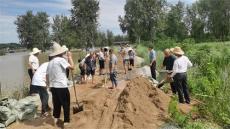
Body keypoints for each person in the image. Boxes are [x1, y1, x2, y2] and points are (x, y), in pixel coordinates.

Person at [46, 42, 74, 126]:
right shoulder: (61, 60)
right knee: (66, 104)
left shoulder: (50, 62)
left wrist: (49, 86)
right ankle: (66, 121)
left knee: (57, 104)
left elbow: (47, 75)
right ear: (61, 52)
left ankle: (55, 119)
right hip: (61, 86)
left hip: (53, 87)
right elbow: (72, 67)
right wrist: (70, 57)